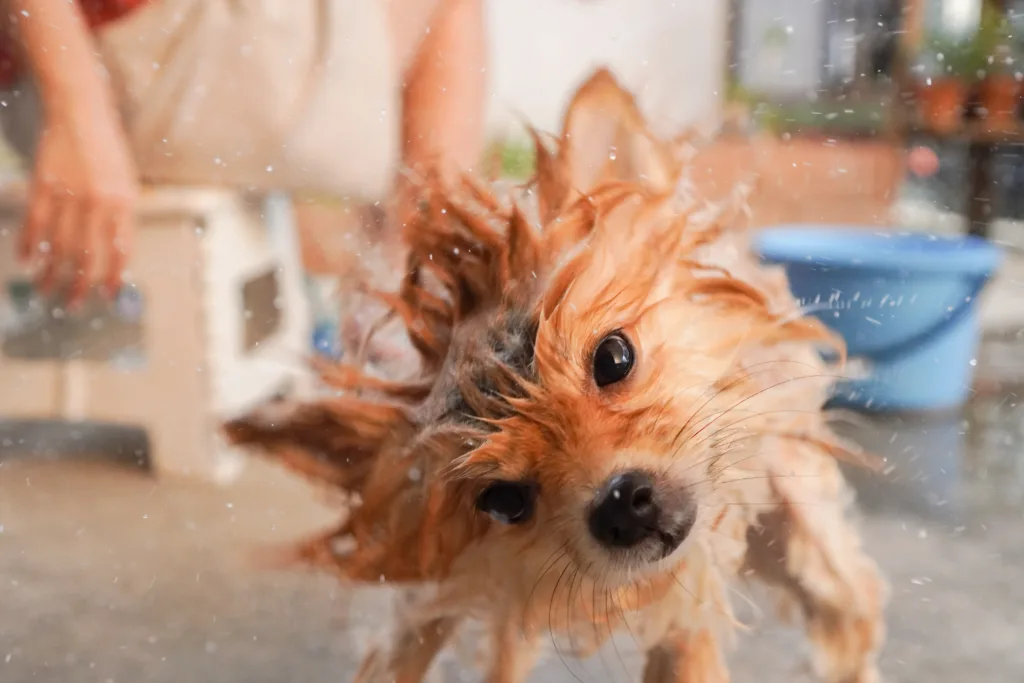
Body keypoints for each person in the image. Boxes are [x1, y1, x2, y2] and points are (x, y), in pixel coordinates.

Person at [1, 0, 486, 362]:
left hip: (58, 88)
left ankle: (399, 305)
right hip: (135, 78)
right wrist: (78, 113)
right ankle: (407, 306)